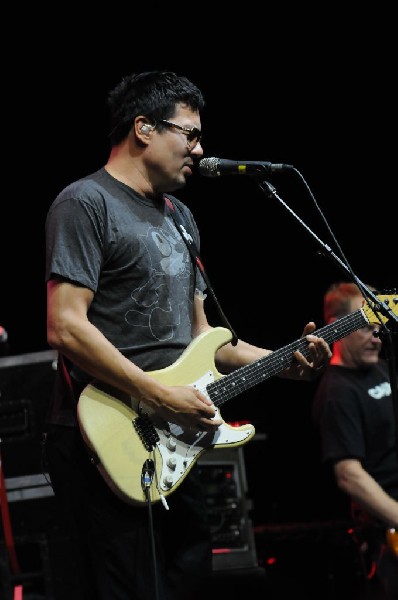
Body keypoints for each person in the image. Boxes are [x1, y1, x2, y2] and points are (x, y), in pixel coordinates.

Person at [44, 70, 332, 600]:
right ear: (144, 129)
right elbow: (65, 325)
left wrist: (282, 360)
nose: (200, 149)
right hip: (105, 433)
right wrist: (156, 394)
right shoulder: (85, 203)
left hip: (173, 436)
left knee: (189, 578)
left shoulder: (181, 217)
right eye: (190, 133)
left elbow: (205, 340)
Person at [312, 281, 398, 600]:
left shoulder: (382, 370)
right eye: (367, 328)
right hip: (386, 538)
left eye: (379, 328)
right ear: (338, 329)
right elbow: (349, 475)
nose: (377, 337)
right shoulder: (337, 392)